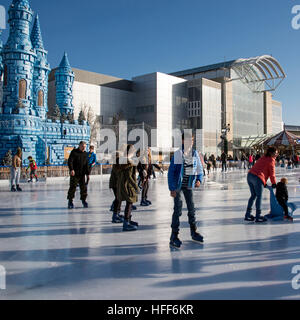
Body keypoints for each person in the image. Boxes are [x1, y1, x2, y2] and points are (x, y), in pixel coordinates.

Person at [168, 132, 204, 248]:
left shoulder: (194, 153)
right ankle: (174, 236)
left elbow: (199, 168)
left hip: (188, 184)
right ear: (183, 141)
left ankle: (194, 231)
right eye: (188, 140)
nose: (191, 142)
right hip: (178, 185)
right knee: (178, 209)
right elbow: (171, 172)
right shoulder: (179, 154)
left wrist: (199, 179)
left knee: (191, 208)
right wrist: (172, 188)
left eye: (192, 140)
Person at [244, 147, 277, 223]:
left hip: (250, 175)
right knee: (259, 196)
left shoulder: (263, 158)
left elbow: (260, 168)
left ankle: (248, 214)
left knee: (253, 195)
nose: (276, 154)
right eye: (275, 153)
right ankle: (258, 216)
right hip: (258, 177)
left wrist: (264, 183)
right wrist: (274, 183)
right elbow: (272, 173)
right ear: (271, 153)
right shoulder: (271, 160)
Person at [116, 145, 139, 231]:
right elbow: (130, 176)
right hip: (128, 185)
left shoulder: (122, 160)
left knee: (129, 203)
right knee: (130, 203)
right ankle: (126, 222)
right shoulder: (129, 162)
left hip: (122, 184)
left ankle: (128, 220)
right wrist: (136, 187)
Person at [67, 141, 89, 209]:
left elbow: (86, 164)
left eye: (85, 147)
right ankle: (70, 201)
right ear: (79, 146)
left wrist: (87, 174)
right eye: (82, 146)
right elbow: (70, 161)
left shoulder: (85, 154)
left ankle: (83, 200)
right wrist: (71, 169)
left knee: (83, 188)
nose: (83, 148)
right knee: (73, 187)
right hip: (75, 174)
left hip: (82, 174)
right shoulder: (74, 152)